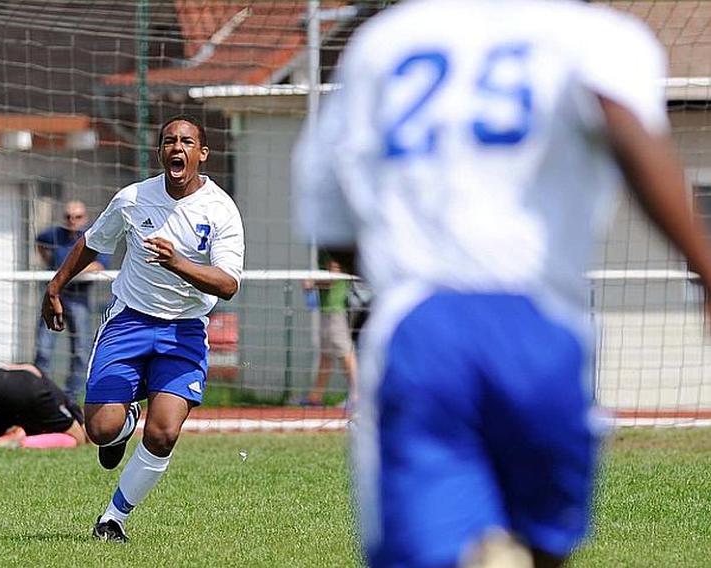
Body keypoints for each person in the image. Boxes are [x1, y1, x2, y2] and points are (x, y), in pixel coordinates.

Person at [293, 2, 711, 567]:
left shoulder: (385, 42)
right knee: (543, 542)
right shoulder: (601, 37)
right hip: (542, 325)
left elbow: (329, 215)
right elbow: (624, 123)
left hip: (422, 325)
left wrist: (404, 261)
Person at [41, 115, 244, 542]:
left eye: (187, 142)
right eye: (169, 141)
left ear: (201, 154)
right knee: (100, 431)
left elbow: (227, 285)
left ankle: (112, 518)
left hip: (185, 330)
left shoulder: (220, 209)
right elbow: (94, 241)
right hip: (129, 321)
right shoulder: (133, 199)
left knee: (165, 431)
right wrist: (55, 287)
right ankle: (127, 415)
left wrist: (178, 263)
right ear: (160, 152)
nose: (177, 147)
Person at [34, 200, 110, 403]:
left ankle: (71, 397)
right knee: (43, 348)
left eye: (77, 217)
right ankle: (41, 396)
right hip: (54, 296)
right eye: (68, 216)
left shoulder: (93, 236)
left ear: (84, 218)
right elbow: (39, 241)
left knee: (81, 350)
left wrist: (67, 273)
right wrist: (51, 265)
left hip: (78, 298)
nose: (72, 221)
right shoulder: (54, 234)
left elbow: (99, 265)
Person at [0, 363, 86, 449]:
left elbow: (30, 369)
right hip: (28, 389)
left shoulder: (49, 392)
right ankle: (20, 442)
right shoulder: (61, 406)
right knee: (75, 439)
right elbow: (80, 435)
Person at [301, 253, 358, 408]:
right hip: (326, 309)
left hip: (336, 309)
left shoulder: (332, 247)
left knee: (345, 350)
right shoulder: (323, 246)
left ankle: (358, 395)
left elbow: (334, 275)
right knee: (326, 354)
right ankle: (315, 397)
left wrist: (312, 282)